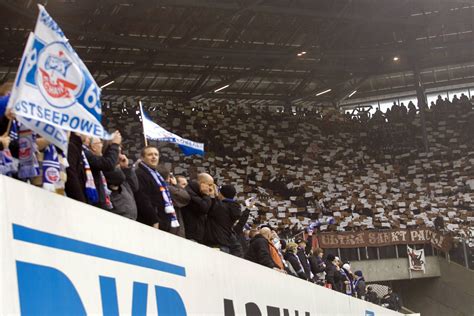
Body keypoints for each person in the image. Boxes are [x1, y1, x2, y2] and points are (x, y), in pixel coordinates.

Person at [134, 146, 179, 231]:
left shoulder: (157, 175)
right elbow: (143, 199)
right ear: (142, 158)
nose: (154, 157)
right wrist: (154, 220)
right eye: (150, 154)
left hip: (162, 220)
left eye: (156, 154)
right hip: (151, 222)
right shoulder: (140, 174)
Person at [84, 134, 121, 210]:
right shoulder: (87, 155)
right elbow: (108, 164)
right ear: (93, 147)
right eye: (100, 143)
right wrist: (115, 145)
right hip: (94, 205)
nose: (102, 145)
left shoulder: (97, 160)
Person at [103, 149, 139, 220]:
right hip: (116, 216)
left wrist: (126, 168)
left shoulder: (122, 170)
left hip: (130, 216)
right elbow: (117, 178)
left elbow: (134, 187)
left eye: (120, 152)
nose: (121, 156)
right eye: (117, 152)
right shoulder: (107, 168)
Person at [205, 184, 241, 253]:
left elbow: (211, 207)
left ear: (221, 193)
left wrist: (212, 196)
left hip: (214, 243)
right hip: (225, 244)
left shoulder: (220, 207)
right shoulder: (234, 208)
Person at [182, 173, 215, 243]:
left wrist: (212, 197)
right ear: (202, 183)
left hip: (199, 235)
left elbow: (211, 211)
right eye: (209, 185)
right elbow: (204, 208)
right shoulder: (190, 192)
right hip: (191, 235)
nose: (210, 188)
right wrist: (206, 195)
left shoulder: (200, 193)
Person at [157, 167, 190, 238]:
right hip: (171, 230)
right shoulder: (169, 189)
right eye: (184, 185)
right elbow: (186, 197)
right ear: (169, 179)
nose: (186, 188)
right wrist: (176, 185)